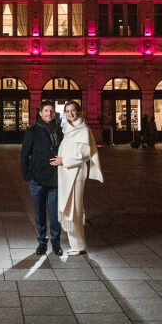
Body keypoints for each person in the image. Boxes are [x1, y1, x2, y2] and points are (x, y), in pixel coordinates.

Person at [50, 101, 103, 256]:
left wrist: (64, 161)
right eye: (67, 111)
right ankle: (76, 243)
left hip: (75, 173)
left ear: (79, 112)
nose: (70, 114)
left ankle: (79, 245)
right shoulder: (67, 129)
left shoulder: (84, 130)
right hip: (65, 173)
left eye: (73, 111)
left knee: (74, 207)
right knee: (68, 206)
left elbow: (84, 154)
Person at [21, 101, 64, 256]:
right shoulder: (32, 131)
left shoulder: (61, 130)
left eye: (51, 111)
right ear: (40, 112)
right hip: (37, 178)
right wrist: (27, 175)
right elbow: (25, 154)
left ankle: (56, 242)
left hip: (55, 178)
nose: (49, 113)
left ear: (55, 113)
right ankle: (42, 241)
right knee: (39, 213)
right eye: (46, 111)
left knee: (55, 213)